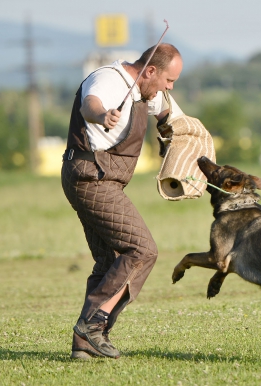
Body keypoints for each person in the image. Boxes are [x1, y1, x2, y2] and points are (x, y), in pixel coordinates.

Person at [61, 43, 183, 359]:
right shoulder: (108, 79)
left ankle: (85, 345)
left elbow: (172, 116)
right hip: (92, 177)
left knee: (109, 260)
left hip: (101, 178)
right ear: (151, 71)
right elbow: (90, 104)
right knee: (141, 250)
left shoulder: (148, 92)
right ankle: (91, 325)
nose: (169, 88)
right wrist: (104, 115)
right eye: (169, 81)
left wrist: (178, 138)